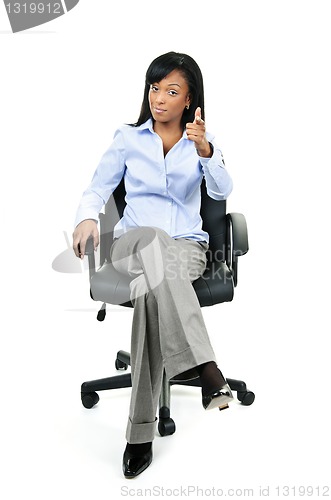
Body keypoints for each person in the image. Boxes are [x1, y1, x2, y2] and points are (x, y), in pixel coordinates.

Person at [73, 51, 234, 478]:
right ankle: (206, 368)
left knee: (152, 285)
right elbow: (96, 188)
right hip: (131, 245)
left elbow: (221, 190)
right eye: (154, 88)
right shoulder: (128, 139)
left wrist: (205, 150)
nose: (160, 98)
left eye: (172, 91)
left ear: (189, 99)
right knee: (153, 245)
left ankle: (138, 434)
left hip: (187, 250)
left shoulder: (201, 141)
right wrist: (87, 217)